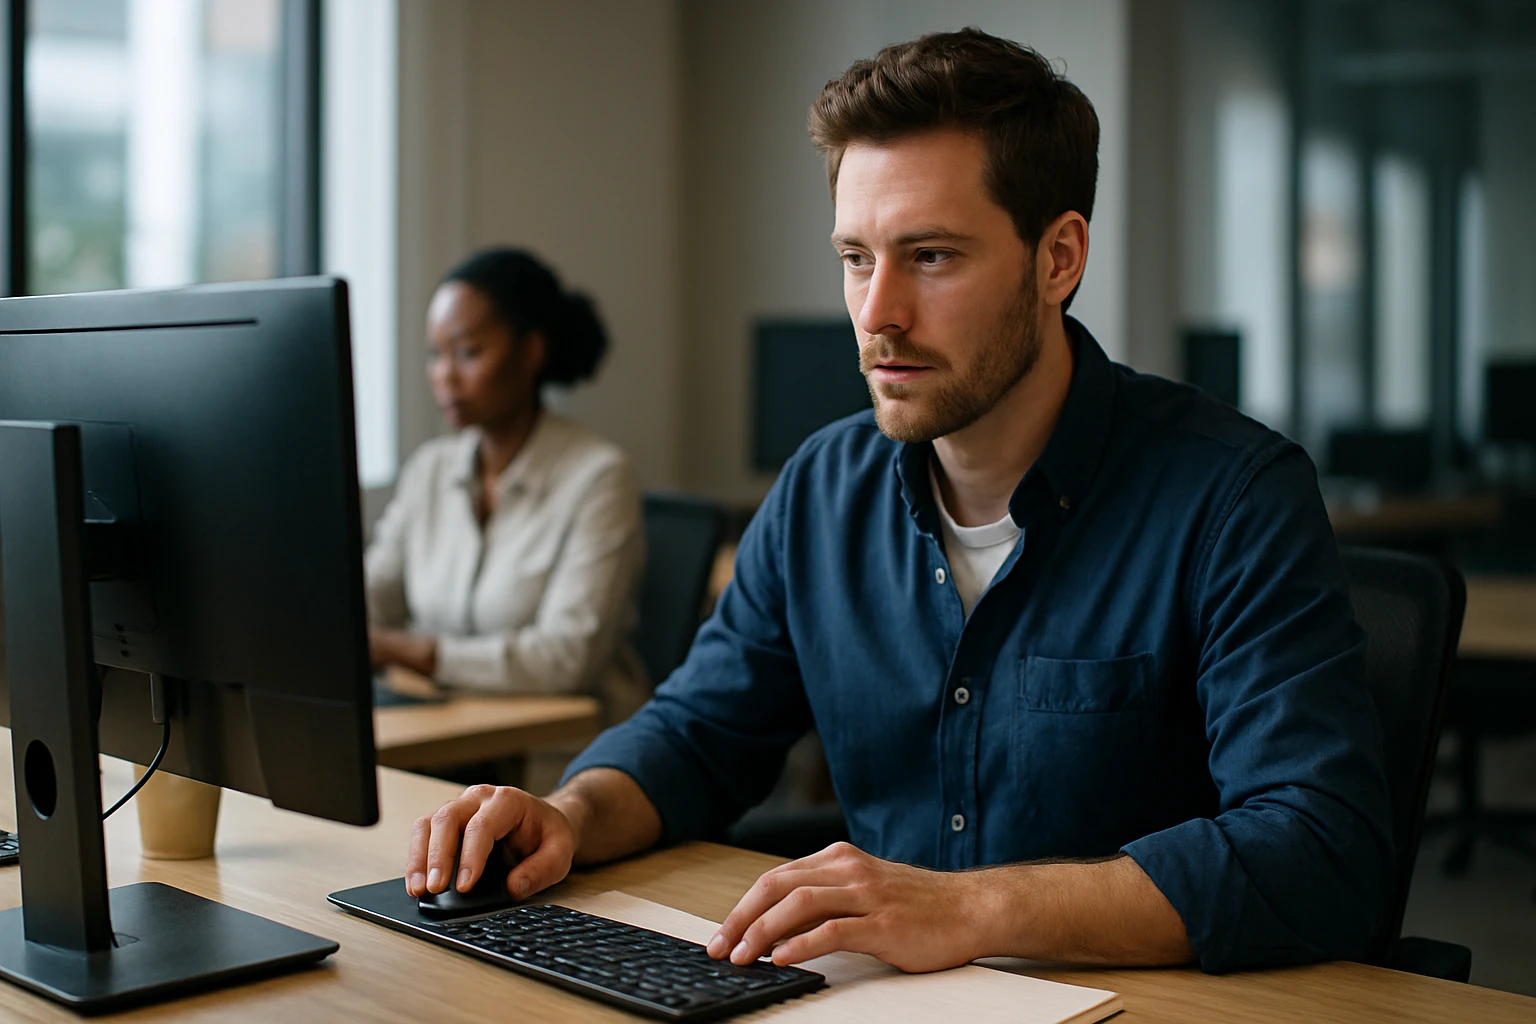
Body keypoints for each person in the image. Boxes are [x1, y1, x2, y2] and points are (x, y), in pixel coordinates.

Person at [405, 30, 1393, 975]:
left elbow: (1320, 849)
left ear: (1059, 259)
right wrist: (572, 813)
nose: (877, 313)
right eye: (855, 258)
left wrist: (970, 909)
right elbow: (699, 733)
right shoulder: (822, 492)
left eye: (931, 257)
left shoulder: (1232, 497)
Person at [365, 248, 646, 722]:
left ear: (531, 352)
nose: (444, 375)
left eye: (468, 352)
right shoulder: (429, 470)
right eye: (436, 354)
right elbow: (374, 595)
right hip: (451, 727)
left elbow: (565, 657)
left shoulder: (599, 476)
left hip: (560, 751)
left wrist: (413, 652)